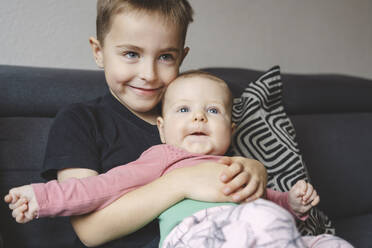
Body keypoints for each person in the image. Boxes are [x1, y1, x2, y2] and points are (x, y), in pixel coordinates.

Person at [6, 1, 268, 247]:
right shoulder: (81, 121)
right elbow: (91, 231)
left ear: (182, 58)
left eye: (165, 57)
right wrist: (181, 183)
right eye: (131, 54)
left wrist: (254, 171)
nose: (149, 74)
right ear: (99, 52)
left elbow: (222, 179)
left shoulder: (194, 121)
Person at [5, 71, 353, 248]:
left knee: (327, 241)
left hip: (252, 228)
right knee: (266, 220)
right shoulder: (163, 157)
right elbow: (100, 187)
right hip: (193, 237)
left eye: (212, 110)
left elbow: (264, 199)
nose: (199, 118)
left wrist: (292, 202)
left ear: (230, 129)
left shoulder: (234, 163)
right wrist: (42, 197)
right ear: (162, 127)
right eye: (184, 110)